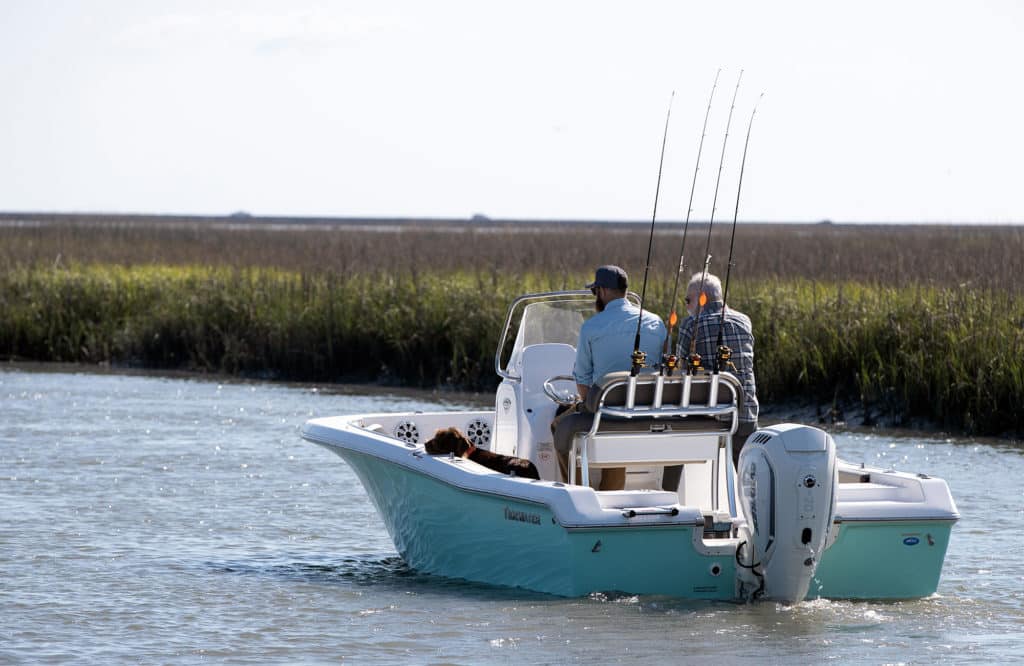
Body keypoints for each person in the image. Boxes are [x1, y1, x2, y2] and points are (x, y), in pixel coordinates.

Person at [552, 265, 667, 490]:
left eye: (595, 292)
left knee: (559, 425)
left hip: (608, 414)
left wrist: (586, 404)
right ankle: (610, 490)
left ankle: (577, 491)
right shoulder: (657, 323)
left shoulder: (592, 327)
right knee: (616, 419)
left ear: (603, 291)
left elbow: (583, 383)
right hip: (647, 411)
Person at [669, 271, 758, 482]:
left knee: (671, 438)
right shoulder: (744, 321)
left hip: (708, 420)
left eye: (687, 300)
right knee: (747, 477)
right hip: (745, 416)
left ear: (701, 298)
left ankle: (669, 495)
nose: (686, 306)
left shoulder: (690, 325)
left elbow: (679, 372)